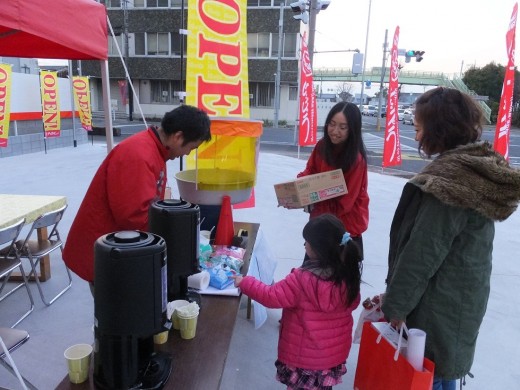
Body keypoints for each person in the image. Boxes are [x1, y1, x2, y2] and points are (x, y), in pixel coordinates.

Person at [381, 87, 520, 390]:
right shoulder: (473, 170)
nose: (416, 138)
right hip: (461, 302)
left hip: (437, 308)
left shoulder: (450, 184)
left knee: (431, 376)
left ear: (438, 129)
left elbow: (421, 256)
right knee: (445, 375)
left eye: (418, 129)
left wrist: (395, 308)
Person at [63, 105, 212, 290]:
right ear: (178, 137)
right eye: (191, 148)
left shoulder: (155, 150)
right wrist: (174, 242)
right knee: (116, 312)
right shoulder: (138, 155)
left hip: (119, 248)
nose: (187, 154)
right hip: (108, 250)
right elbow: (134, 217)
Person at [233, 214, 363, 390]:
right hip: (330, 359)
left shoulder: (302, 280)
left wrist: (245, 282)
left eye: (307, 242)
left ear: (318, 248)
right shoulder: (348, 276)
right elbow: (353, 303)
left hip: (304, 361)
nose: (304, 245)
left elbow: (271, 296)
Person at [293, 102, 369, 257]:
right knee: (309, 276)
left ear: (352, 129)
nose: (335, 131)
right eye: (332, 124)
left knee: (337, 278)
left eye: (343, 127)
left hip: (344, 226)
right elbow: (310, 171)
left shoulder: (356, 160)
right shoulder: (322, 146)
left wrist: (311, 200)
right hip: (320, 219)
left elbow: (345, 204)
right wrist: (299, 189)